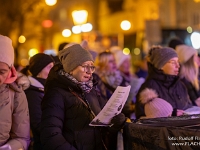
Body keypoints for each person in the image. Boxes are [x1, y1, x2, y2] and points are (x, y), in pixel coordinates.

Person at [40, 44, 126, 150]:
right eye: (85, 66)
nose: (89, 71)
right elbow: (51, 136)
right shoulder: (56, 94)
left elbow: (101, 129)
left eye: (92, 66)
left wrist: (115, 124)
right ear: (70, 68)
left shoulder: (91, 90)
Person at [135, 46, 193, 119]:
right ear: (161, 66)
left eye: (178, 62)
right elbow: (142, 117)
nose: (178, 66)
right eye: (173, 62)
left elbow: (188, 106)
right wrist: (172, 114)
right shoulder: (149, 87)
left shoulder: (180, 85)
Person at [0, 35, 30, 150]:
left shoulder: (16, 93)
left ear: (10, 70)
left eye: (2, 72)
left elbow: (22, 138)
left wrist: (9, 147)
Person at [21, 53, 54, 150]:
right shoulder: (32, 92)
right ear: (39, 70)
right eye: (49, 67)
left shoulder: (45, 87)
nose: (52, 71)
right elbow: (38, 123)